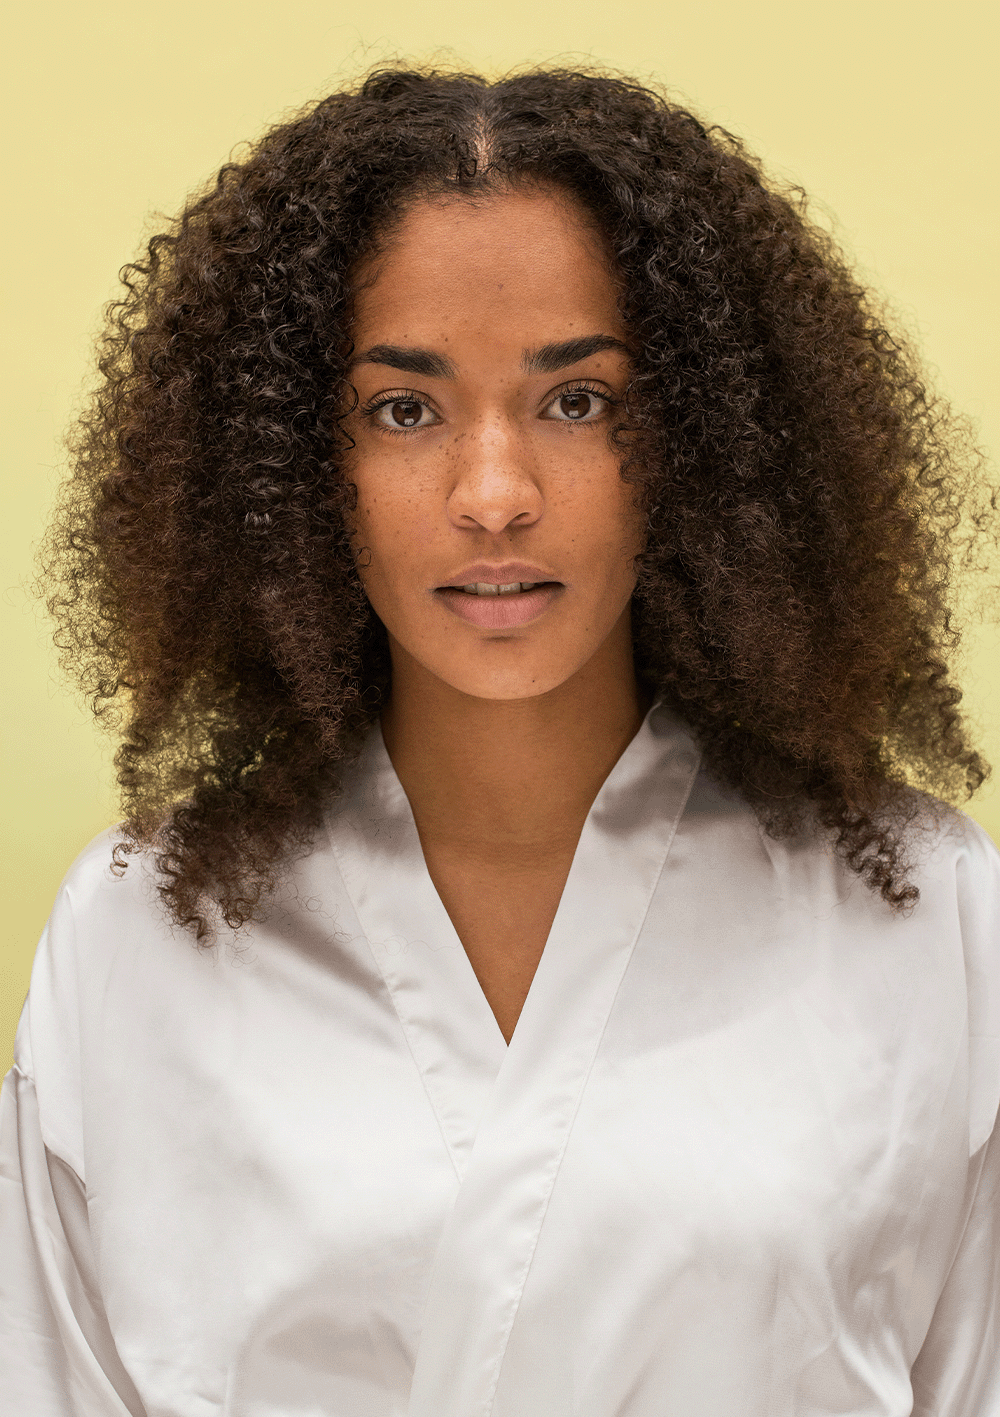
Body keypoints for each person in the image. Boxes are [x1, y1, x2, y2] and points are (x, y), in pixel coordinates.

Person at [1, 64, 998, 1416]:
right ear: (297, 462)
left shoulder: (927, 918)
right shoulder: (136, 943)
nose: (494, 494)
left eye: (578, 400)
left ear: (705, 439)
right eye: (403, 409)